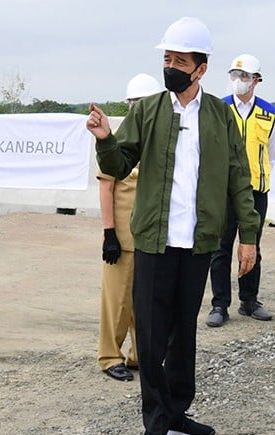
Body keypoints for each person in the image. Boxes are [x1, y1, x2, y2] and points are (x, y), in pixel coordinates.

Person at [86, 17, 261, 435]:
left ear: (201, 69)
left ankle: (179, 413)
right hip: (153, 242)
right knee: (150, 332)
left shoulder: (220, 116)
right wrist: (106, 138)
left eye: (179, 60)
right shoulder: (148, 111)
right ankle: (155, 424)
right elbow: (120, 163)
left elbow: (239, 178)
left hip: (199, 242)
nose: (171, 67)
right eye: (167, 58)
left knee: (183, 332)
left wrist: (249, 238)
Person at [97, 73, 163, 382]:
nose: (139, 108)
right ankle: (110, 356)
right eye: (135, 103)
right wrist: (109, 232)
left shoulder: (161, 140)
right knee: (117, 301)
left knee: (146, 301)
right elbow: (106, 187)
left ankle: (140, 356)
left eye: (145, 103)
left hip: (151, 236)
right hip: (122, 237)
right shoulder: (119, 139)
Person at [206, 53, 275, 328]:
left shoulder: (269, 112)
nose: (239, 81)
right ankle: (219, 305)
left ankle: (250, 301)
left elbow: (271, 153)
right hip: (223, 191)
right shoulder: (218, 108)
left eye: (245, 76)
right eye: (235, 76)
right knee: (221, 248)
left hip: (255, 190)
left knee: (253, 247)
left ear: (256, 81)